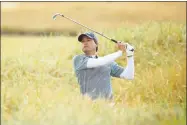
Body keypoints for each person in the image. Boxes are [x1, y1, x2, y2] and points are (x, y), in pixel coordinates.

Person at [73, 32, 134, 100]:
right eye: (83, 41)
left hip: (109, 106)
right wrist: (120, 52)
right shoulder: (78, 59)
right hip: (89, 106)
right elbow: (100, 62)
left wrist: (130, 55)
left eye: (88, 40)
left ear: (96, 44)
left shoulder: (107, 62)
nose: (85, 43)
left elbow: (129, 75)